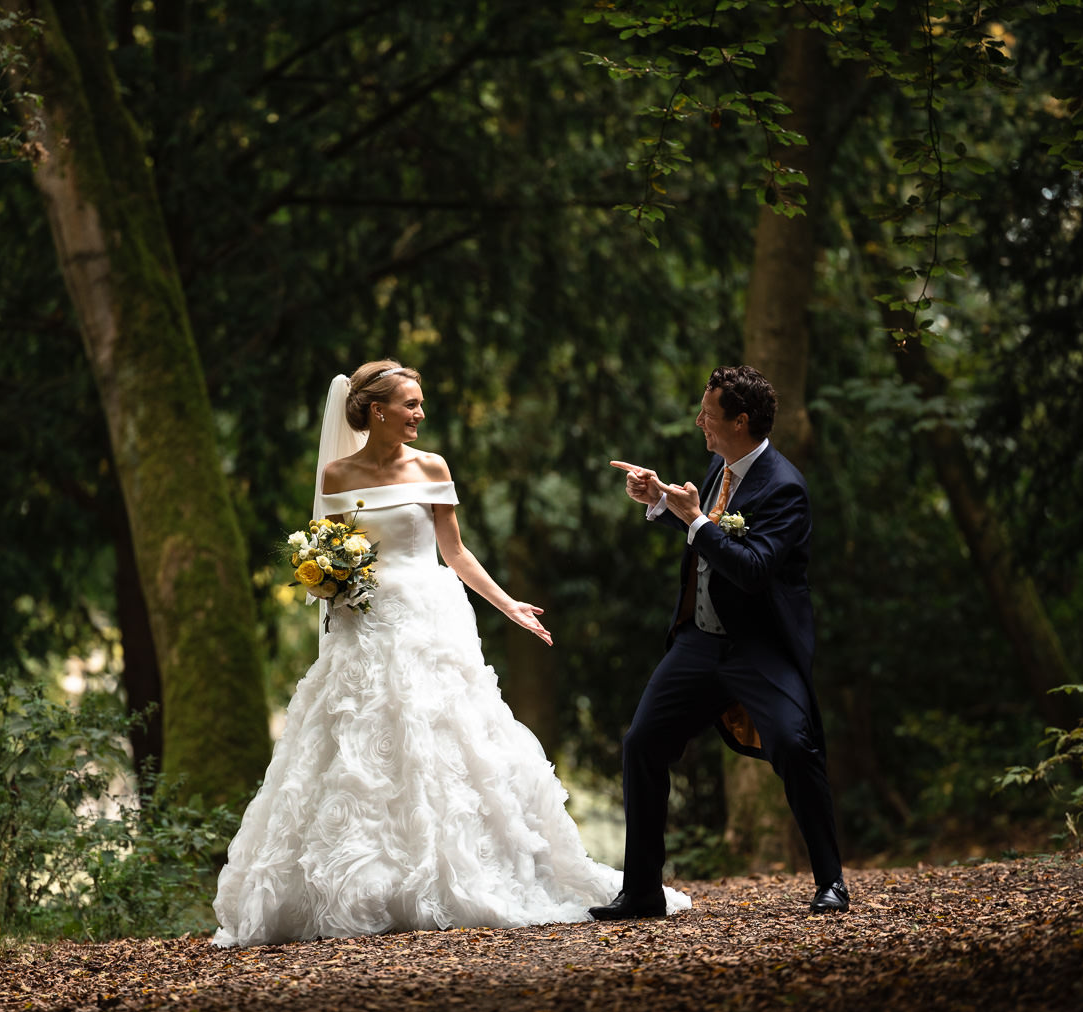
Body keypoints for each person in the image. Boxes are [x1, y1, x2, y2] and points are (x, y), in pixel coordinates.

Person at [212, 360, 689, 947]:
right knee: (358, 740)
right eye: (409, 404)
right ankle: (365, 879)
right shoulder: (337, 474)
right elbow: (334, 547)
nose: (419, 414)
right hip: (365, 621)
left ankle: (450, 870)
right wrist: (331, 583)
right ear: (377, 410)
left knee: (446, 737)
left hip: (429, 617)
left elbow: (455, 554)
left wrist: (509, 604)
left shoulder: (431, 466)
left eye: (420, 404)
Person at [593, 365, 849, 920]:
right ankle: (642, 892)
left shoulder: (785, 488)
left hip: (759, 649)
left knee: (794, 745)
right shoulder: (720, 467)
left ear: (740, 421)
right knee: (642, 743)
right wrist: (660, 501)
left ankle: (831, 881)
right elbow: (704, 535)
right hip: (699, 643)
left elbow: (753, 569)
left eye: (707, 415)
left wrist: (695, 521)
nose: (698, 422)